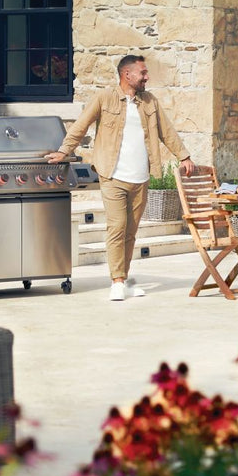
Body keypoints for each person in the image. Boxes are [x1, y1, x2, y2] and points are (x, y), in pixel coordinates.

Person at [47, 55, 194, 302]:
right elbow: (81, 125)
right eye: (143, 73)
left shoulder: (150, 102)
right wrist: (64, 151)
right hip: (112, 175)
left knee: (130, 232)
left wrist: (184, 156)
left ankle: (124, 279)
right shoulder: (104, 98)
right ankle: (116, 281)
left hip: (141, 177)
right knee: (116, 227)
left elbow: (166, 133)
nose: (147, 77)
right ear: (127, 75)